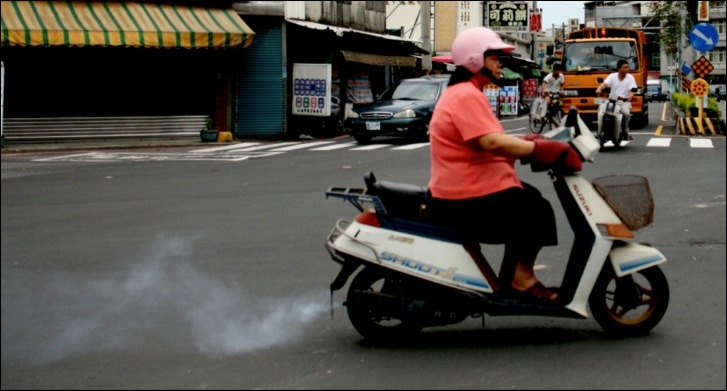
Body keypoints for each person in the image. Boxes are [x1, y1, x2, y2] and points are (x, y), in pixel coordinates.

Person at [426, 27, 582, 303]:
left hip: (469, 190)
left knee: (531, 201)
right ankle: (520, 280)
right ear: (475, 60)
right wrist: (540, 148)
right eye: (495, 57)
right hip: (465, 196)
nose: (501, 63)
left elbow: (486, 138)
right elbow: (491, 143)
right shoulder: (465, 94)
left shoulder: (465, 92)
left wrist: (528, 139)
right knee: (537, 210)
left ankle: (513, 278)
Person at [595, 59, 637, 139]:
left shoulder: (630, 77)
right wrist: (599, 89)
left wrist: (630, 96)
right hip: (611, 100)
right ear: (619, 68)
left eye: (627, 67)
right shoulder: (612, 76)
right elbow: (604, 84)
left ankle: (625, 132)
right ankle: (599, 132)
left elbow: (633, 89)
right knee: (601, 109)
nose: (626, 69)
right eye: (624, 67)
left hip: (623, 101)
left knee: (626, 113)